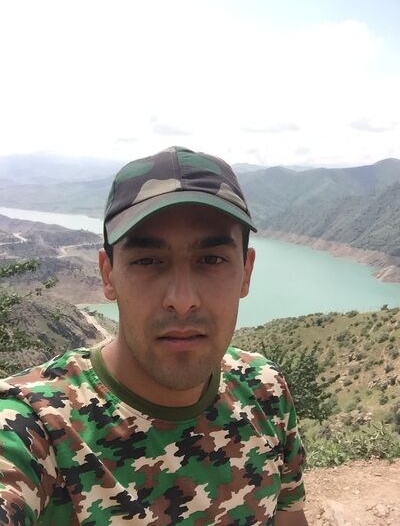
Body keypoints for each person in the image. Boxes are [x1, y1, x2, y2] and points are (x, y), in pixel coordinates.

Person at [0, 146, 307, 525]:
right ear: (108, 274)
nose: (182, 300)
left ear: (246, 272)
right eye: (148, 261)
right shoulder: (35, 426)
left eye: (211, 259)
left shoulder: (265, 389)